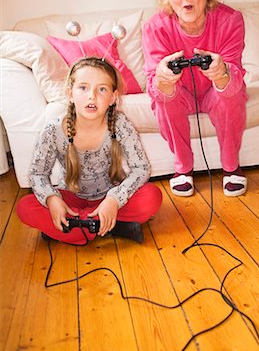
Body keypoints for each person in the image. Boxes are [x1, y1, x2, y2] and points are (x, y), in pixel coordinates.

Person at [16, 57, 162, 245]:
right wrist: (52, 200)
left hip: (110, 195)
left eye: (102, 89)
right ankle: (109, 226)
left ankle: (75, 229)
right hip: (70, 200)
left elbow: (141, 168)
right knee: (25, 207)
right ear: (70, 94)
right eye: (83, 88)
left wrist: (114, 200)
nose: (92, 96)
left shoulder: (120, 125)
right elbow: (37, 174)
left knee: (152, 196)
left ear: (113, 97)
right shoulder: (53, 130)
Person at [142, 0, 248, 197]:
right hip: (182, 95)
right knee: (164, 98)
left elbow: (235, 81)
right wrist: (163, 79)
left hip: (214, 91)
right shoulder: (155, 27)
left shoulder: (230, 20)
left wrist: (221, 73)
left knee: (232, 92)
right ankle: (183, 168)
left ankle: (231, 166)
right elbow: (153, 87)